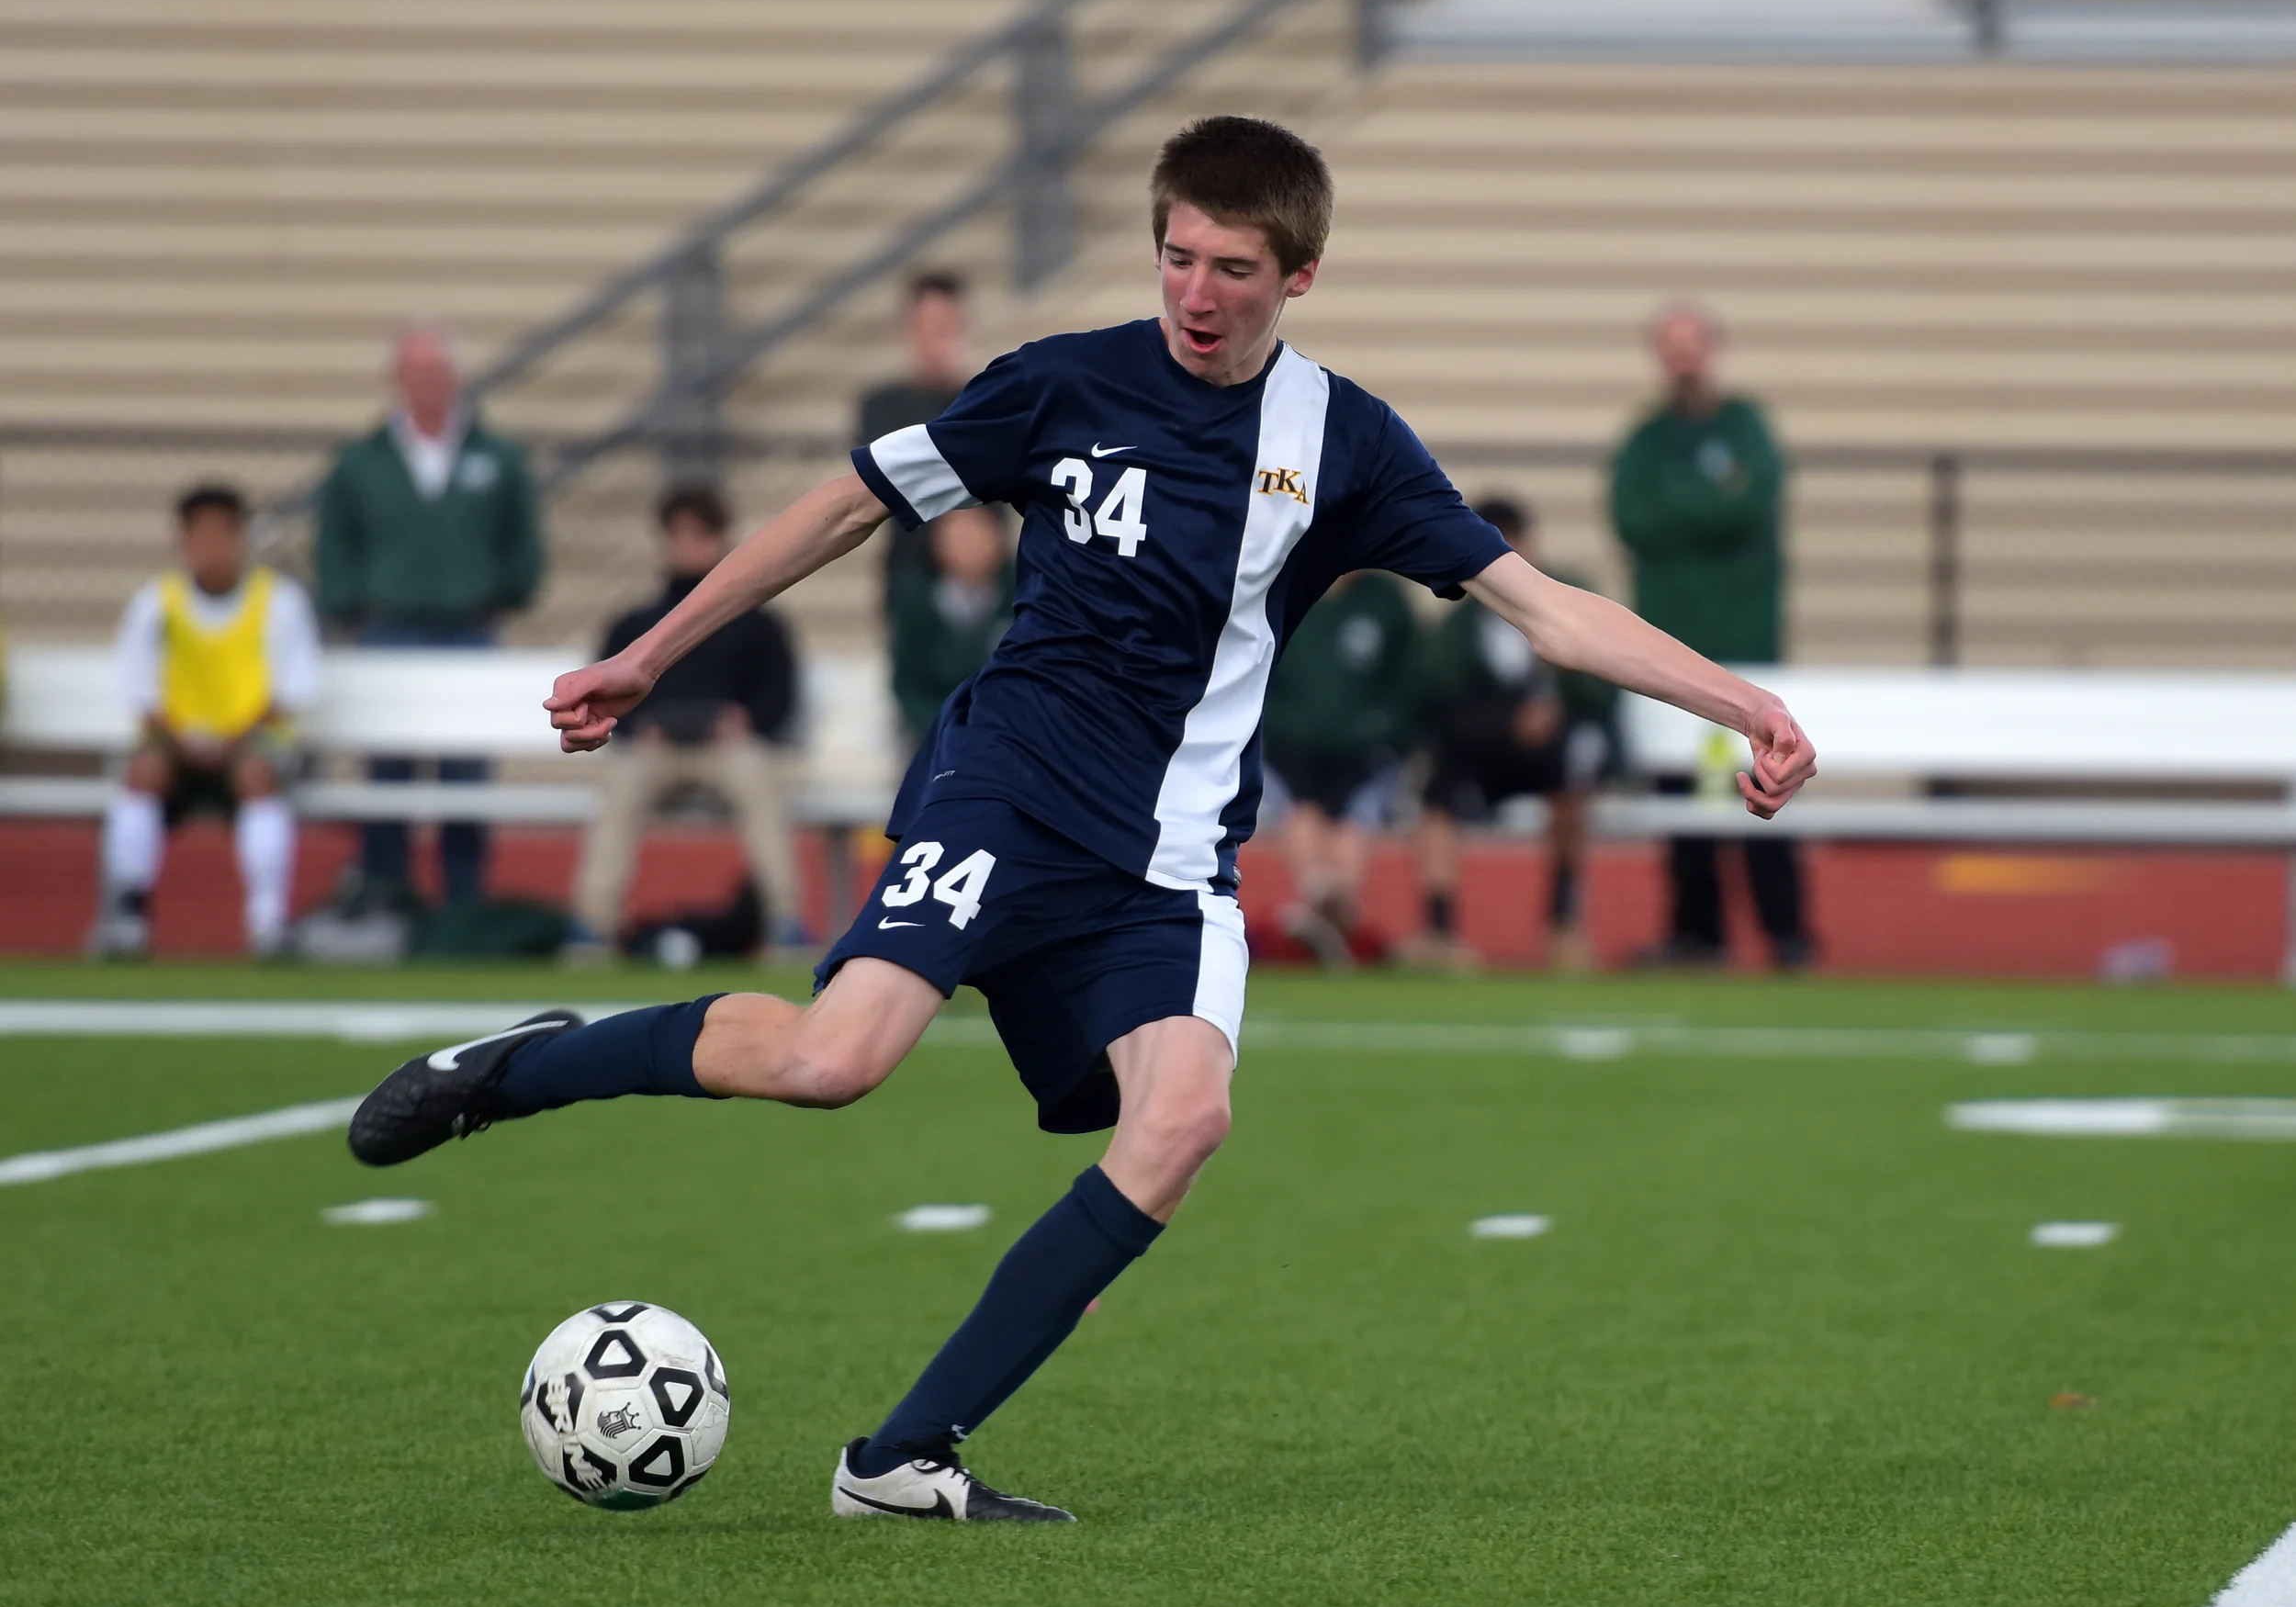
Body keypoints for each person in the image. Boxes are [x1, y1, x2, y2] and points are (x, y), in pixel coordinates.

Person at [345, 118, 1816, 1523]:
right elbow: (851, 503)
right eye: (1175, 255)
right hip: (1008, 784)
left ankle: (904, 1454)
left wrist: (1737, 702)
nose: (1195, 292)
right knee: (830, 1059)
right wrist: (651, 650)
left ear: (1298, 275)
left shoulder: (1343, 441)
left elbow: (1545, 608)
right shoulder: (1060, 383)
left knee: (1183, 1119)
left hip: (1167, 854)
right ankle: (522, 1068)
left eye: (1232, 268)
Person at [1610, 305, 1811, 969]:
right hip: (1671, 651)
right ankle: (1698, 934)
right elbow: (1632, 518)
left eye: (1692, 346)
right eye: (1671, 347)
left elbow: (1750, 506)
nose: (1683, 359)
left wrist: (1682, 510)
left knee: (1764, 780)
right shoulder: (1643, 442)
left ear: (1713, 351)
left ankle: (1787, 933)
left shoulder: (1746, 428)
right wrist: (1709, 508)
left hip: (1745, 643)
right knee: (1681, 794)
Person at [315, 322, 544, 907]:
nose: (427, 386)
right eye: (416, 375)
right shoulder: (362, 460)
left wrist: (504, 591)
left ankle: (463, 898)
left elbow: (523, 540)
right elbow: (335, 541)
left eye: (437, 374)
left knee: (466, 774)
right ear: (398, 380)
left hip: (470, 630)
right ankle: (386, 891)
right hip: (387, 630)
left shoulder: (496, 456)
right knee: (387, 771)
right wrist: (349, 601)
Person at [90, 484, 321, 959]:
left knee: (258, 775)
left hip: (251, 746)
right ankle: (128, 917)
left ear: (241, 540)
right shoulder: (156, 605)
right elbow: (139, 693)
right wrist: (185, 740)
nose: (212, 548)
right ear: (182, 542)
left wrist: (233, 738)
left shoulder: (279, 602)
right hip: (177, 749)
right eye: (201, 536)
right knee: (143, 772)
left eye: (222, 535)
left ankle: (267, 923)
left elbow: (295, 690)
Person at [568, 486, 801, 956]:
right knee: (620, 782)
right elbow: (605, 694)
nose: (688, 546)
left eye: (700, 534)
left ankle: (786, 921)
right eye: (678, 535)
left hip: (727, 750)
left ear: (720, 538)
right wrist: (637, 728)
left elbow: (780, 697)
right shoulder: (634, 622)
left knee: (757, 775)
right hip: (655, 751)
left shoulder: (760, 624)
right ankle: (593, 926)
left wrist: (744, 721)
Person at [1406, 498, 1618, 971]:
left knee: (1573, 782)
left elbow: (1605, 686)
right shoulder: (1460, 623)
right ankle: (1440, 929)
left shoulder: (1568, 603)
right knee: (1437, 793)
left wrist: (1558, 702)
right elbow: (1443, 702)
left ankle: (1564, 923)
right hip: (1481, 754)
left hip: (1551, 748)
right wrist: (1506, 722)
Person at [1259, 569, 1418, 965]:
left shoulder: (1384, 600)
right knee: (1301, 816)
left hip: (1361, 750)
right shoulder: (1283, 586)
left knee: (1353, 828)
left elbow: (1411, 676)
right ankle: (1329, 919)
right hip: (1289, 747)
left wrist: (1382, 725)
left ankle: (1323, 920)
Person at [856, 273, 972, 608]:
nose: (940, 338)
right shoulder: (882, 405)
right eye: (930, 326)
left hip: (981, 577)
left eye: (948, 326)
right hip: (911, 572)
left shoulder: (981, 397)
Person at [888, 503, 1014, 750]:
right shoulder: (915, 594)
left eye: (977, 531)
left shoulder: (1027, 589)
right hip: (936, 733)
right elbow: (907, 684)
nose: (967, 545)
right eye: (957, 534)